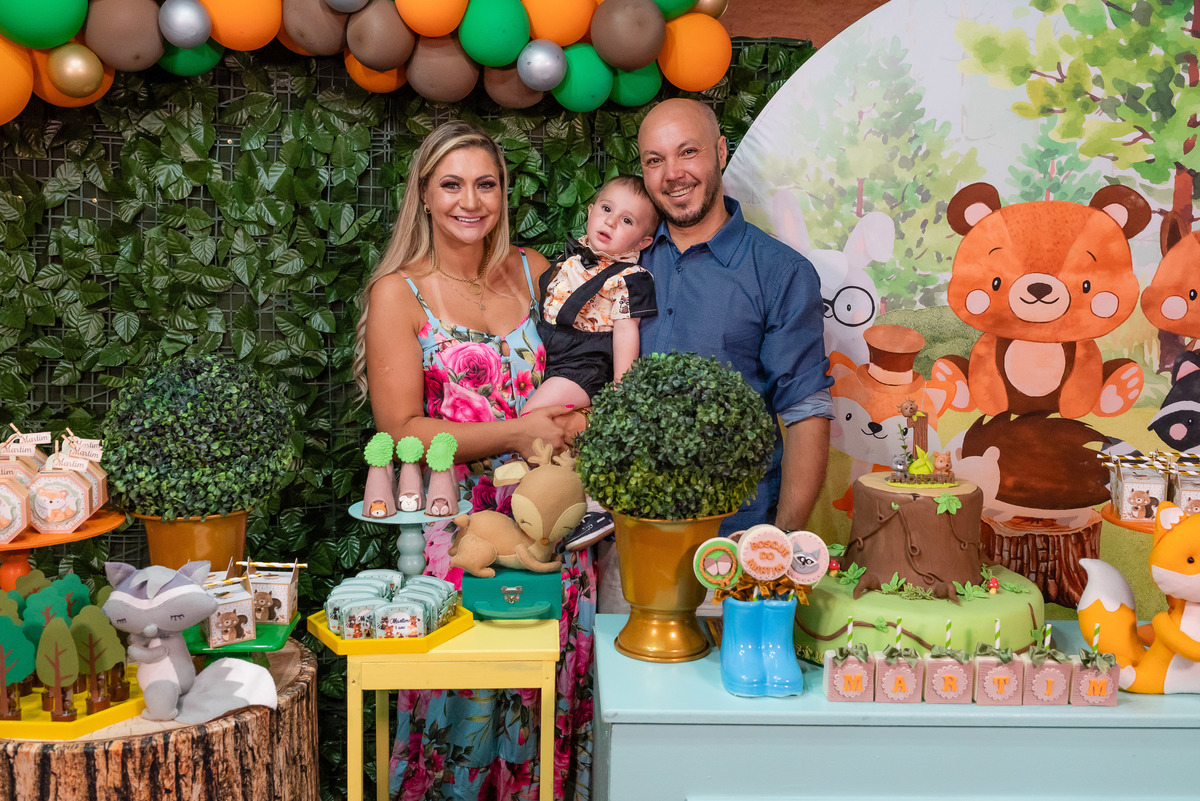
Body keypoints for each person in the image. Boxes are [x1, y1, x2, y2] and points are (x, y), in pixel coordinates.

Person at [353, 120, 595, 800]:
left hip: (555, 522)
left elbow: (591, 368)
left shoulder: (537, 272)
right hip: (458, 528)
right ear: (424, 194)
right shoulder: (398, 293)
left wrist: (580, 421)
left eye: (485, 184)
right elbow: (401, 428)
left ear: (503, 192)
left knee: (549, 690)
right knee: (464, 695)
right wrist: (518, 432)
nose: (470, 201)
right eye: (452, 185)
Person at [635, 97, 834, 534]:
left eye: (688, 151)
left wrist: (777, 544)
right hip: (625, 533)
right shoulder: (623, 260)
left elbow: (806, 412)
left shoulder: (780, 272)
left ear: (721, 151)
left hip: (733, 538)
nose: (672, 174)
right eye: (655, 160)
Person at [522, 175, 660, 413]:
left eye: (626, 220)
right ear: (590, 211)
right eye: (606, 209)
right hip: (547, 351)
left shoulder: (628, 277)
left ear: (642, 242)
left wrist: (622, 387)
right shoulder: (575, 256)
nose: (611, 222)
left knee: (531, 414)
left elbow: (626, 331)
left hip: (583, 365)